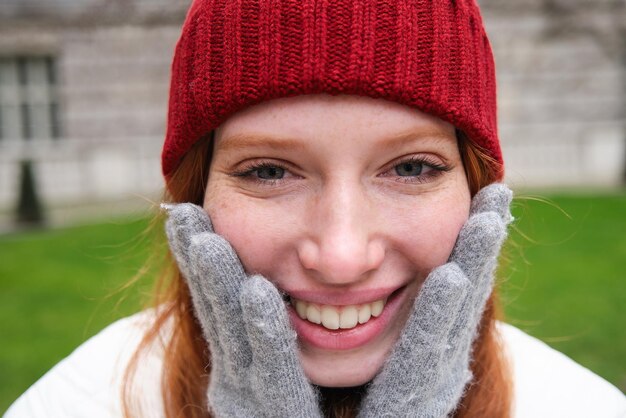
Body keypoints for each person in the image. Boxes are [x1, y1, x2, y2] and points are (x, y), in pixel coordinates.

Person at [5, 0, 626, 417]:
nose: (341, 256)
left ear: (479, 193)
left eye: (411, 167)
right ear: (193, 202)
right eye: (269, 171)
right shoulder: (74, 402)